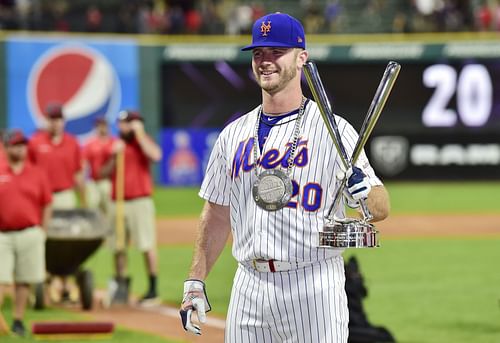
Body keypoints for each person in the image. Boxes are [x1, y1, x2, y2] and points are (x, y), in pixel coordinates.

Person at [179, 12, 390, 342]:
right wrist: (195, 280)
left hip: (312, 283)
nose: (266, 61)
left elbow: (380, 207)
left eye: (277, 52)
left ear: (301, 57)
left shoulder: (333, 130)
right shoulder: (233, 135)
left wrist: (364, 193)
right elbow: (217, 214)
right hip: (249, 284)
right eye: (259, 53)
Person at [100, 110, 162, 306]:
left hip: (139, 201)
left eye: (127, 123)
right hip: (117, 202)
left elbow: (156, 156)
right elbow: (101, 173)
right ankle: (121, 287)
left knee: (146, 245)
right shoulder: (113, 144)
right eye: (121, 123)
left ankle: (153, 289)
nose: (123, 126)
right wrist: (112, 157)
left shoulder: (143, 142)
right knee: (118, 246)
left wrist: (141, 135)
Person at [27, 103, 86, 302]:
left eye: (59, 119)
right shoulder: (35, 143)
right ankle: (43, 278)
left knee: (65, 242)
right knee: (41, 238)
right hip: (41, 199)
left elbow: (78, 174)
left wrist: (84, 201)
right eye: (52, 119)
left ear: (64, 121)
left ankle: (64, 281)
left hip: (65, 195)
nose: (56, 123)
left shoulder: (72, 142)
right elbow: (28, 171)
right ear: (46, 121)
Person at [0, 130, 52, 337]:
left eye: (23, 144)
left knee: (24, 280)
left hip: (30, 232)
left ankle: (18, 320)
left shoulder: (37, 172)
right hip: (2, 235)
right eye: (15, 145)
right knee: (1, 280)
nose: (20, 148)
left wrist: (43, 231)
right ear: (6, 147)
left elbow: (47, 203)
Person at [82, 117, 116, 218]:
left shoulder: (114, 142)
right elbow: (84, 164)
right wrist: (83, 183)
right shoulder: (90, 144)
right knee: (92, 209)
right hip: (93, 182)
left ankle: (109, 232)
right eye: (99, 126)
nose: (102, 128)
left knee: (110, 210)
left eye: (104, 125)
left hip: (109, 181)